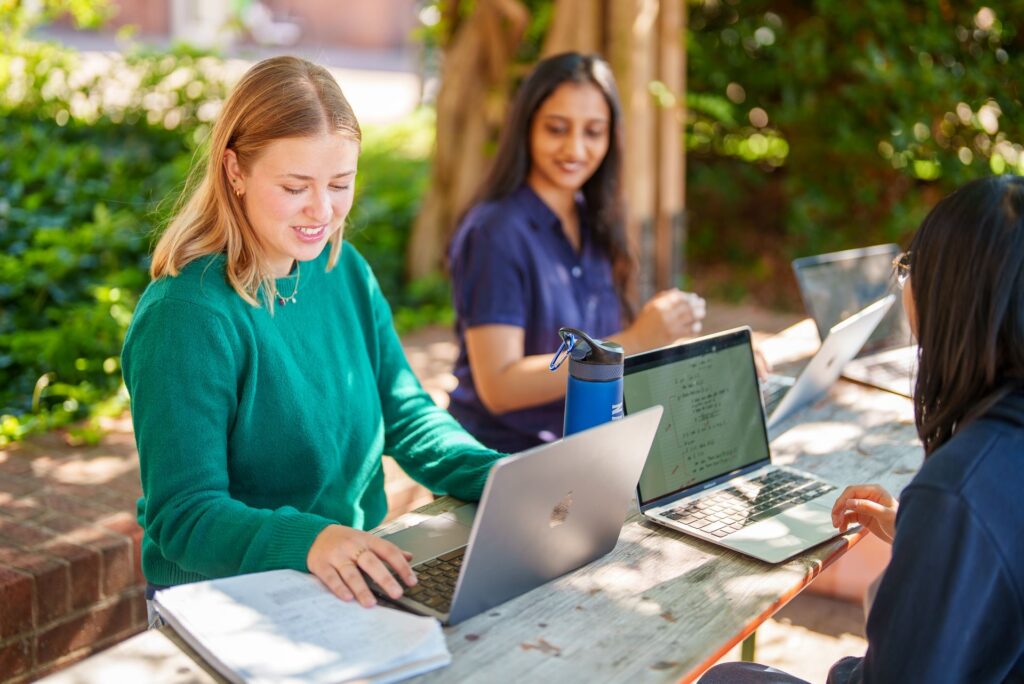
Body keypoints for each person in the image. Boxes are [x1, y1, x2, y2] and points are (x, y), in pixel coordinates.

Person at [120, 56, 502, 622]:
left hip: (344, 578)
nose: (321, 211)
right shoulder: (186, 315)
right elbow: (185, 514)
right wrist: (312, 540)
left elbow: (406, 415)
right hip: (225, 604)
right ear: (235, 171)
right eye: (295, 187)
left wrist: (500, 476)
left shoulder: (341, 269)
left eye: (340, 184)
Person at [700, 175, 1024, 683]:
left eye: (912, 269)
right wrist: (926, 542)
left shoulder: (958, 489)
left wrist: (940, 528)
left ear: (952, 299)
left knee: (726, 679)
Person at [447, 52, 707, 453]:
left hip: (590, 448)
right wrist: (636, 339)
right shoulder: (494, 232)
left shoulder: (596, 219)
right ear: (527, 127)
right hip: (503, 461)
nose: (575, 148)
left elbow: (614, 341)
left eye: (593, 132)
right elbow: (499, 385)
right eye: (556, 128)